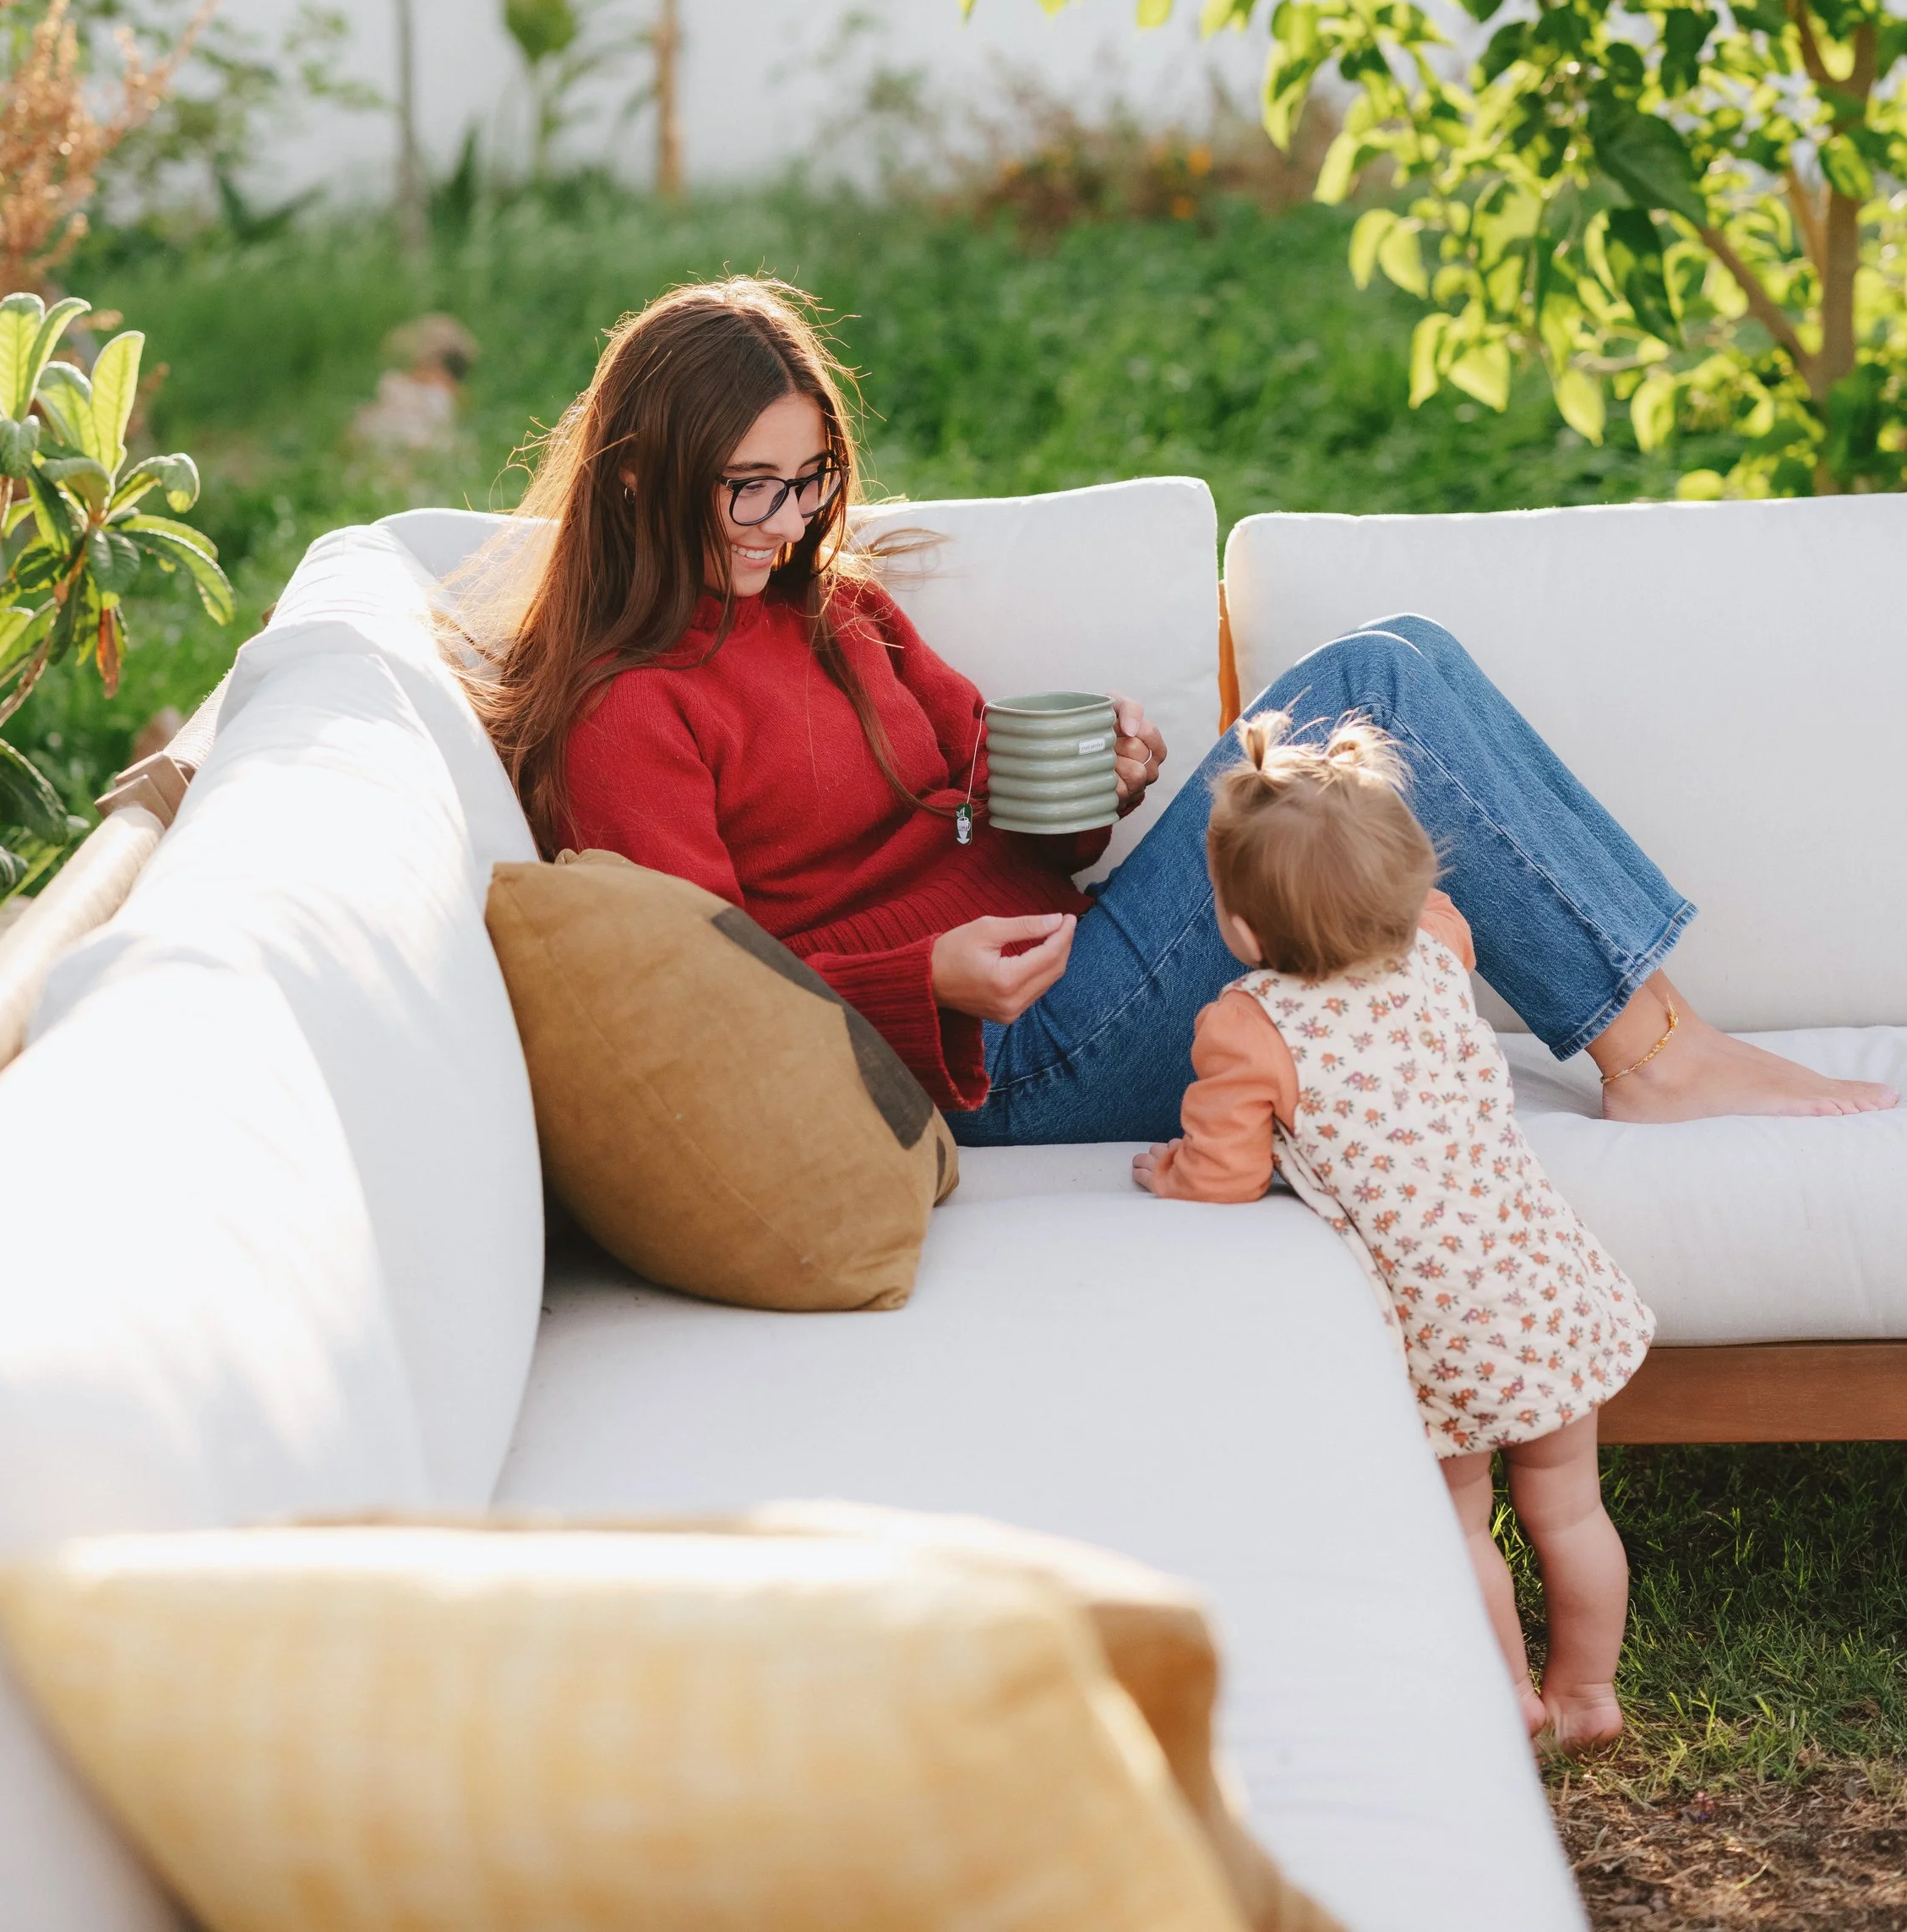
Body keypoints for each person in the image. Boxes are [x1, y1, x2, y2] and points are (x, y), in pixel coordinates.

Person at [455, 273, 1895, 1142]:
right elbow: (699, 997)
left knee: (1404, 653)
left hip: (1070, 964)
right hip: (990, 1063)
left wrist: (1106, 787)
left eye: (813, 473)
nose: (791, 517)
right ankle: (1656, 1057)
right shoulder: (629, 713)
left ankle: (1663, 1034)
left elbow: (989, 801)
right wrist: (929, 983)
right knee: (1371, 688)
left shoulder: (836, 607)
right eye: (751, 486)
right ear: (638, 474)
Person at [1136, 710, 1650, 1743]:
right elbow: (1426, 909)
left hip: (1440, 1329)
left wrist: (1171, 1170)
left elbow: (1226, 1175)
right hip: (1542, 1283)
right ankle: (1589, 1696)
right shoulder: (1440, 944)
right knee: (1570, 1511)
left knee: (1463, 1524)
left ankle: (1508, 1702)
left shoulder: (1250, 1026)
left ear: (1239, 930)